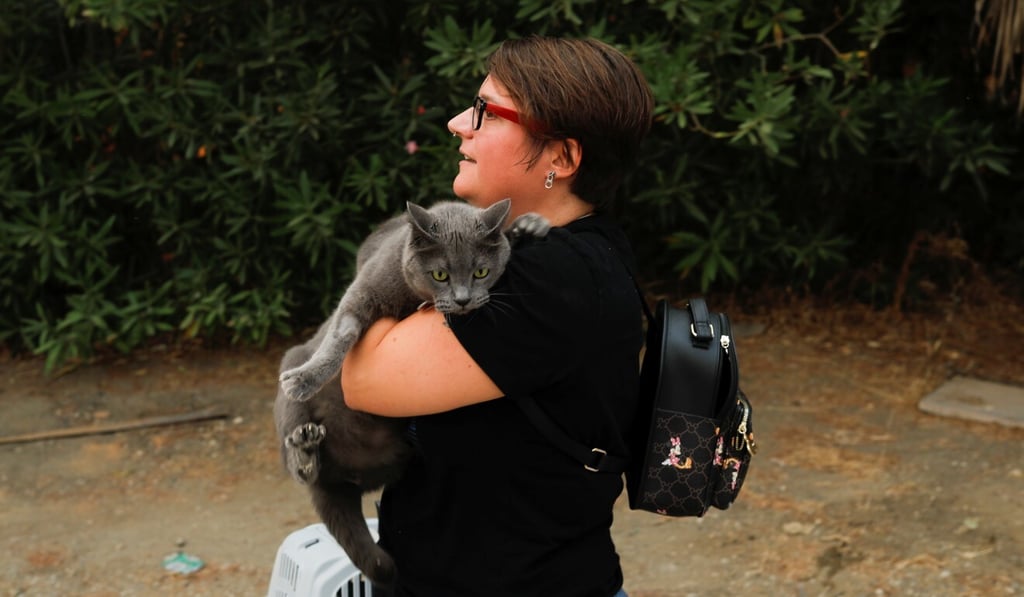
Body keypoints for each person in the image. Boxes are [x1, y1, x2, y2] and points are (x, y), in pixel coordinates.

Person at [341, 35, 654, 597]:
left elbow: (362, 377)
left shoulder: (551, 278)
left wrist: (386, 287)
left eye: (486, 111)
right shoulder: (582, 251)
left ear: (561, 157)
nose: (459, 123)